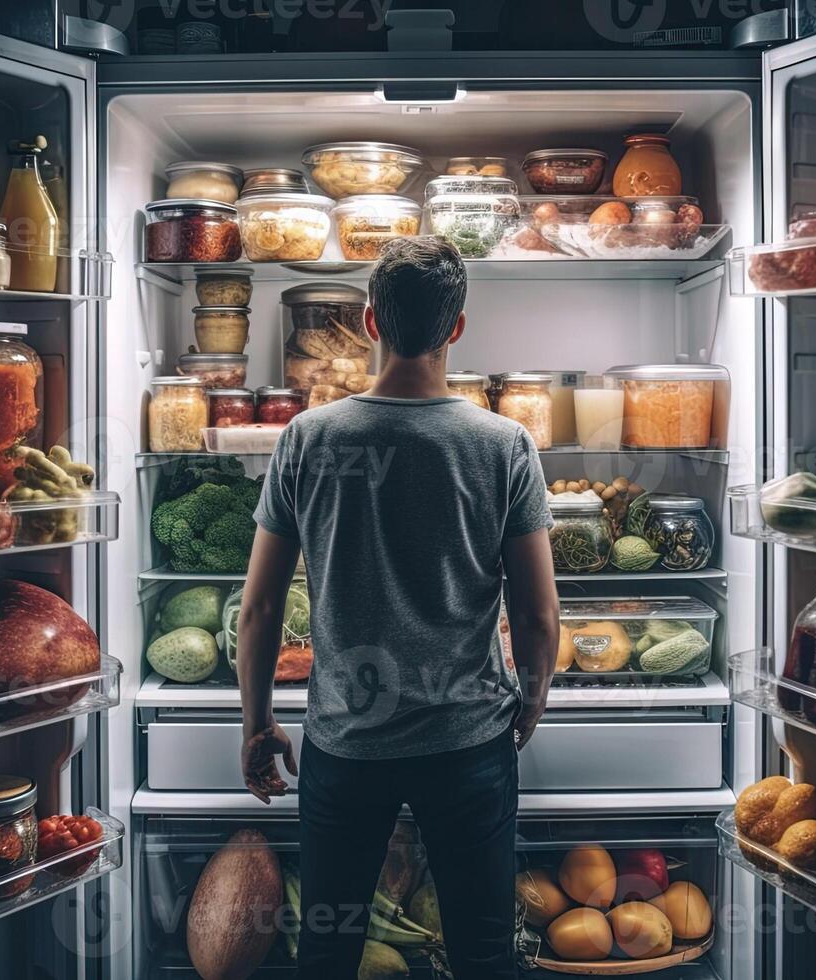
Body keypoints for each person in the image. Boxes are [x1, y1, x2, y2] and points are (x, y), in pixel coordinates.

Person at [235, 236, 560, 979]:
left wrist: (257, 723)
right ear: (457, 329)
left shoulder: (309, 438)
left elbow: (257, 609)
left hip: (346, 744)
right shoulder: (503, 445)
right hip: (469, 741)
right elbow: (539, 615)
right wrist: (532, 699)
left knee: (327, 951)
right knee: (483, 952)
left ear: (372, 323)